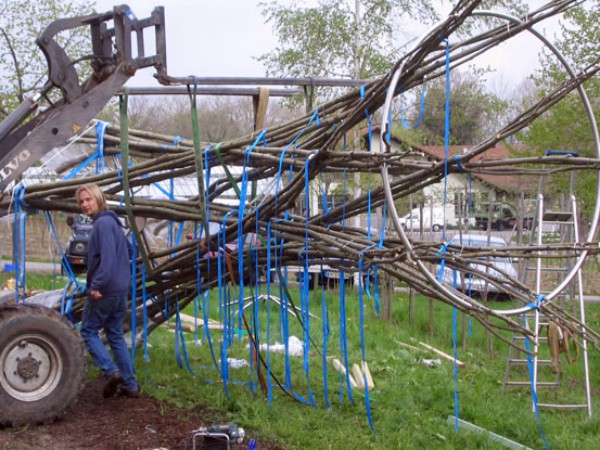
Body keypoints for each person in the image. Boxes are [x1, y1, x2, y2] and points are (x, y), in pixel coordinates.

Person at [76, 183, 139, 398]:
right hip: (120, 290)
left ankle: (111, 372)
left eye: (88, 199)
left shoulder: (102, 224)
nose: (85, 204)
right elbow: (130, 250)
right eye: (81, 201)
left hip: (104, 290)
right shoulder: (114, 223)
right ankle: (130, 385)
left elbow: (108, 260)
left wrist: (96, 285)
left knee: (88, 331)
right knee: (115, 334)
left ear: (98, 199)